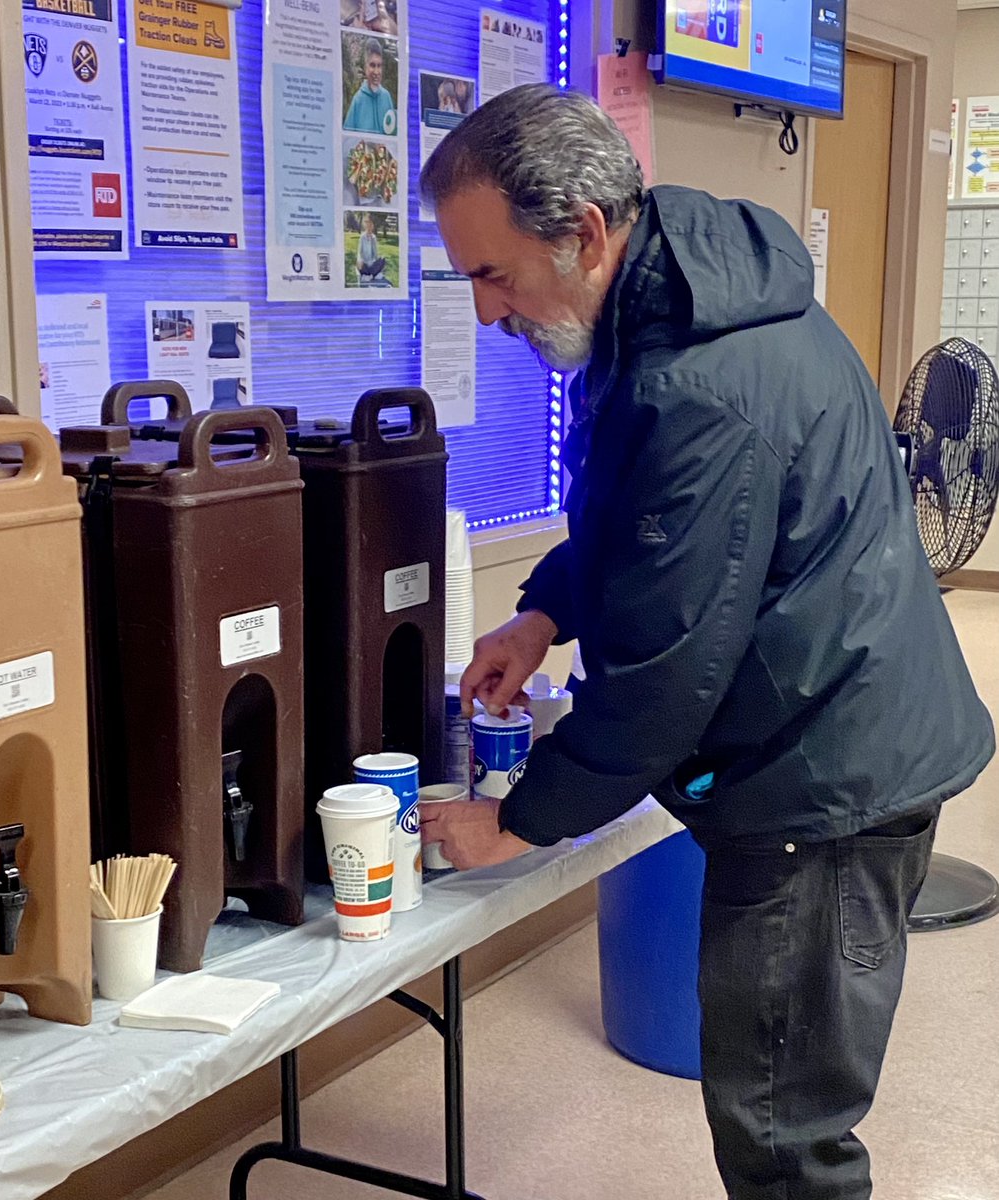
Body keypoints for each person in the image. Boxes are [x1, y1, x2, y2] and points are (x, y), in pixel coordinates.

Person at [418, 83, 995, 1200]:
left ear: (584, 232)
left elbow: (663, 676)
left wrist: (518, 820)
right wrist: (542, 614)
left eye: (492, 273)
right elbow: (634, 524)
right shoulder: (670, 303)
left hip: (827, 789)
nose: (487, 313)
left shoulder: (701, 382)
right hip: (833, 737)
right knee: (781, 1106)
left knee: (785, 1129)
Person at [344, 39, 395, 134]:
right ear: (365, 67)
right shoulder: (358, 100)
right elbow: (347, 136)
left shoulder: (386, 97)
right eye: (372, 65)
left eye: (379, 66)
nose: (376, 72)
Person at [355, 212, 386, 281]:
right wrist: (360, 260)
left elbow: (375, 254)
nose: (369, 226)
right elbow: (359, 252)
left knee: (383, 259)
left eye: (371, 224)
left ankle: (368, 275)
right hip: (364, 263)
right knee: (358, 263)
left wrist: (377, 262)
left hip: (371, 263)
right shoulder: (362, 237)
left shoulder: (374, 237)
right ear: (365, 226)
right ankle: (373, 274)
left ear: (373, 226)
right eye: (367, 224)